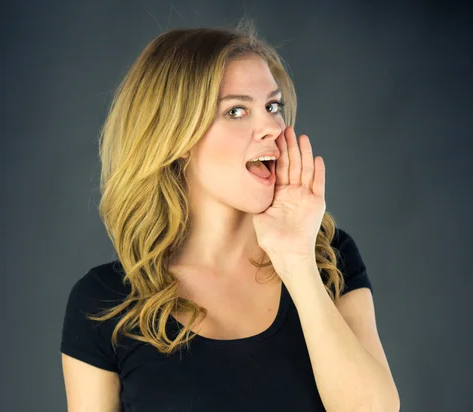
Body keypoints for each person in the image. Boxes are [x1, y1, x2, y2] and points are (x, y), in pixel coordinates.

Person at [60, 19, 400, 412]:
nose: (272, 127)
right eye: (236, 111)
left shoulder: (327, 256)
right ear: (177, 137)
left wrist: (296, 262)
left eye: (273, 106)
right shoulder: (105, 302)